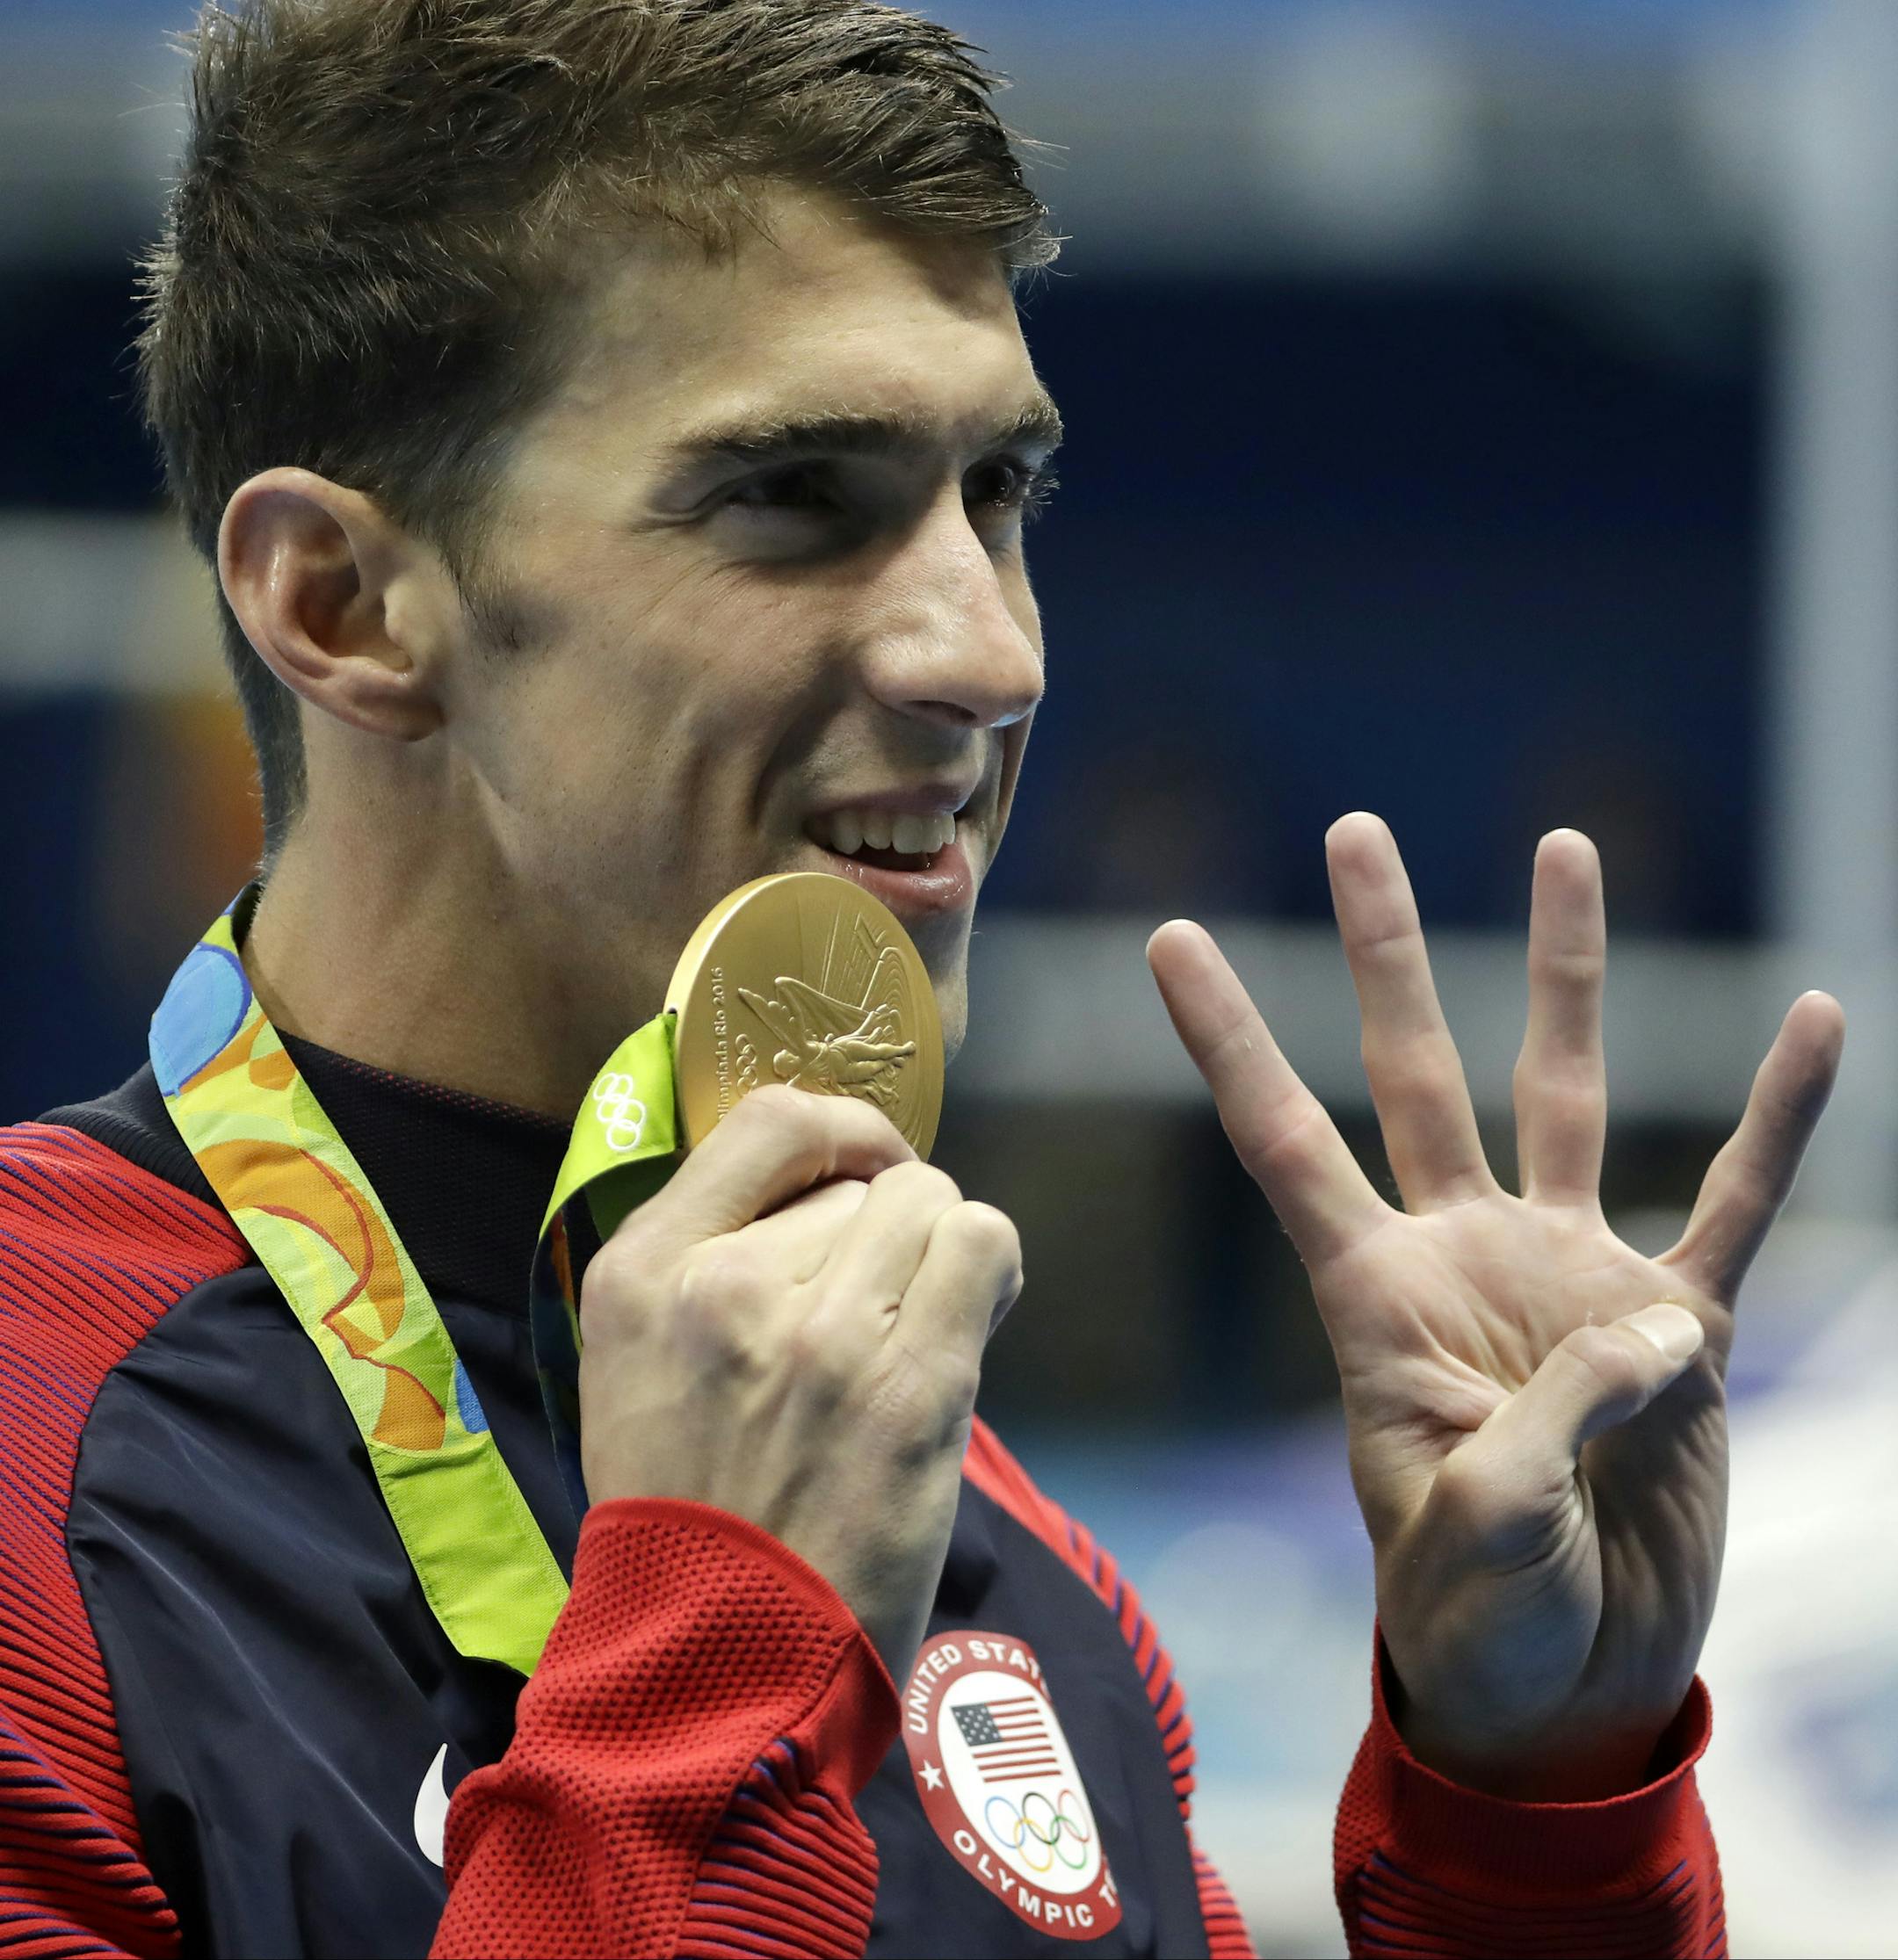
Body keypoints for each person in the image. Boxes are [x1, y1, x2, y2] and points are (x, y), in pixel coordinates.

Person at [0, 4, 1844, 1956]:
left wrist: (1535, 1825)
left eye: (1000, 500)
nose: (988, 652)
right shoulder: (41, 1492)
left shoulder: (1017, 1582)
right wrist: (718, 1677)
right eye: (794, 498)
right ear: (341, 603)